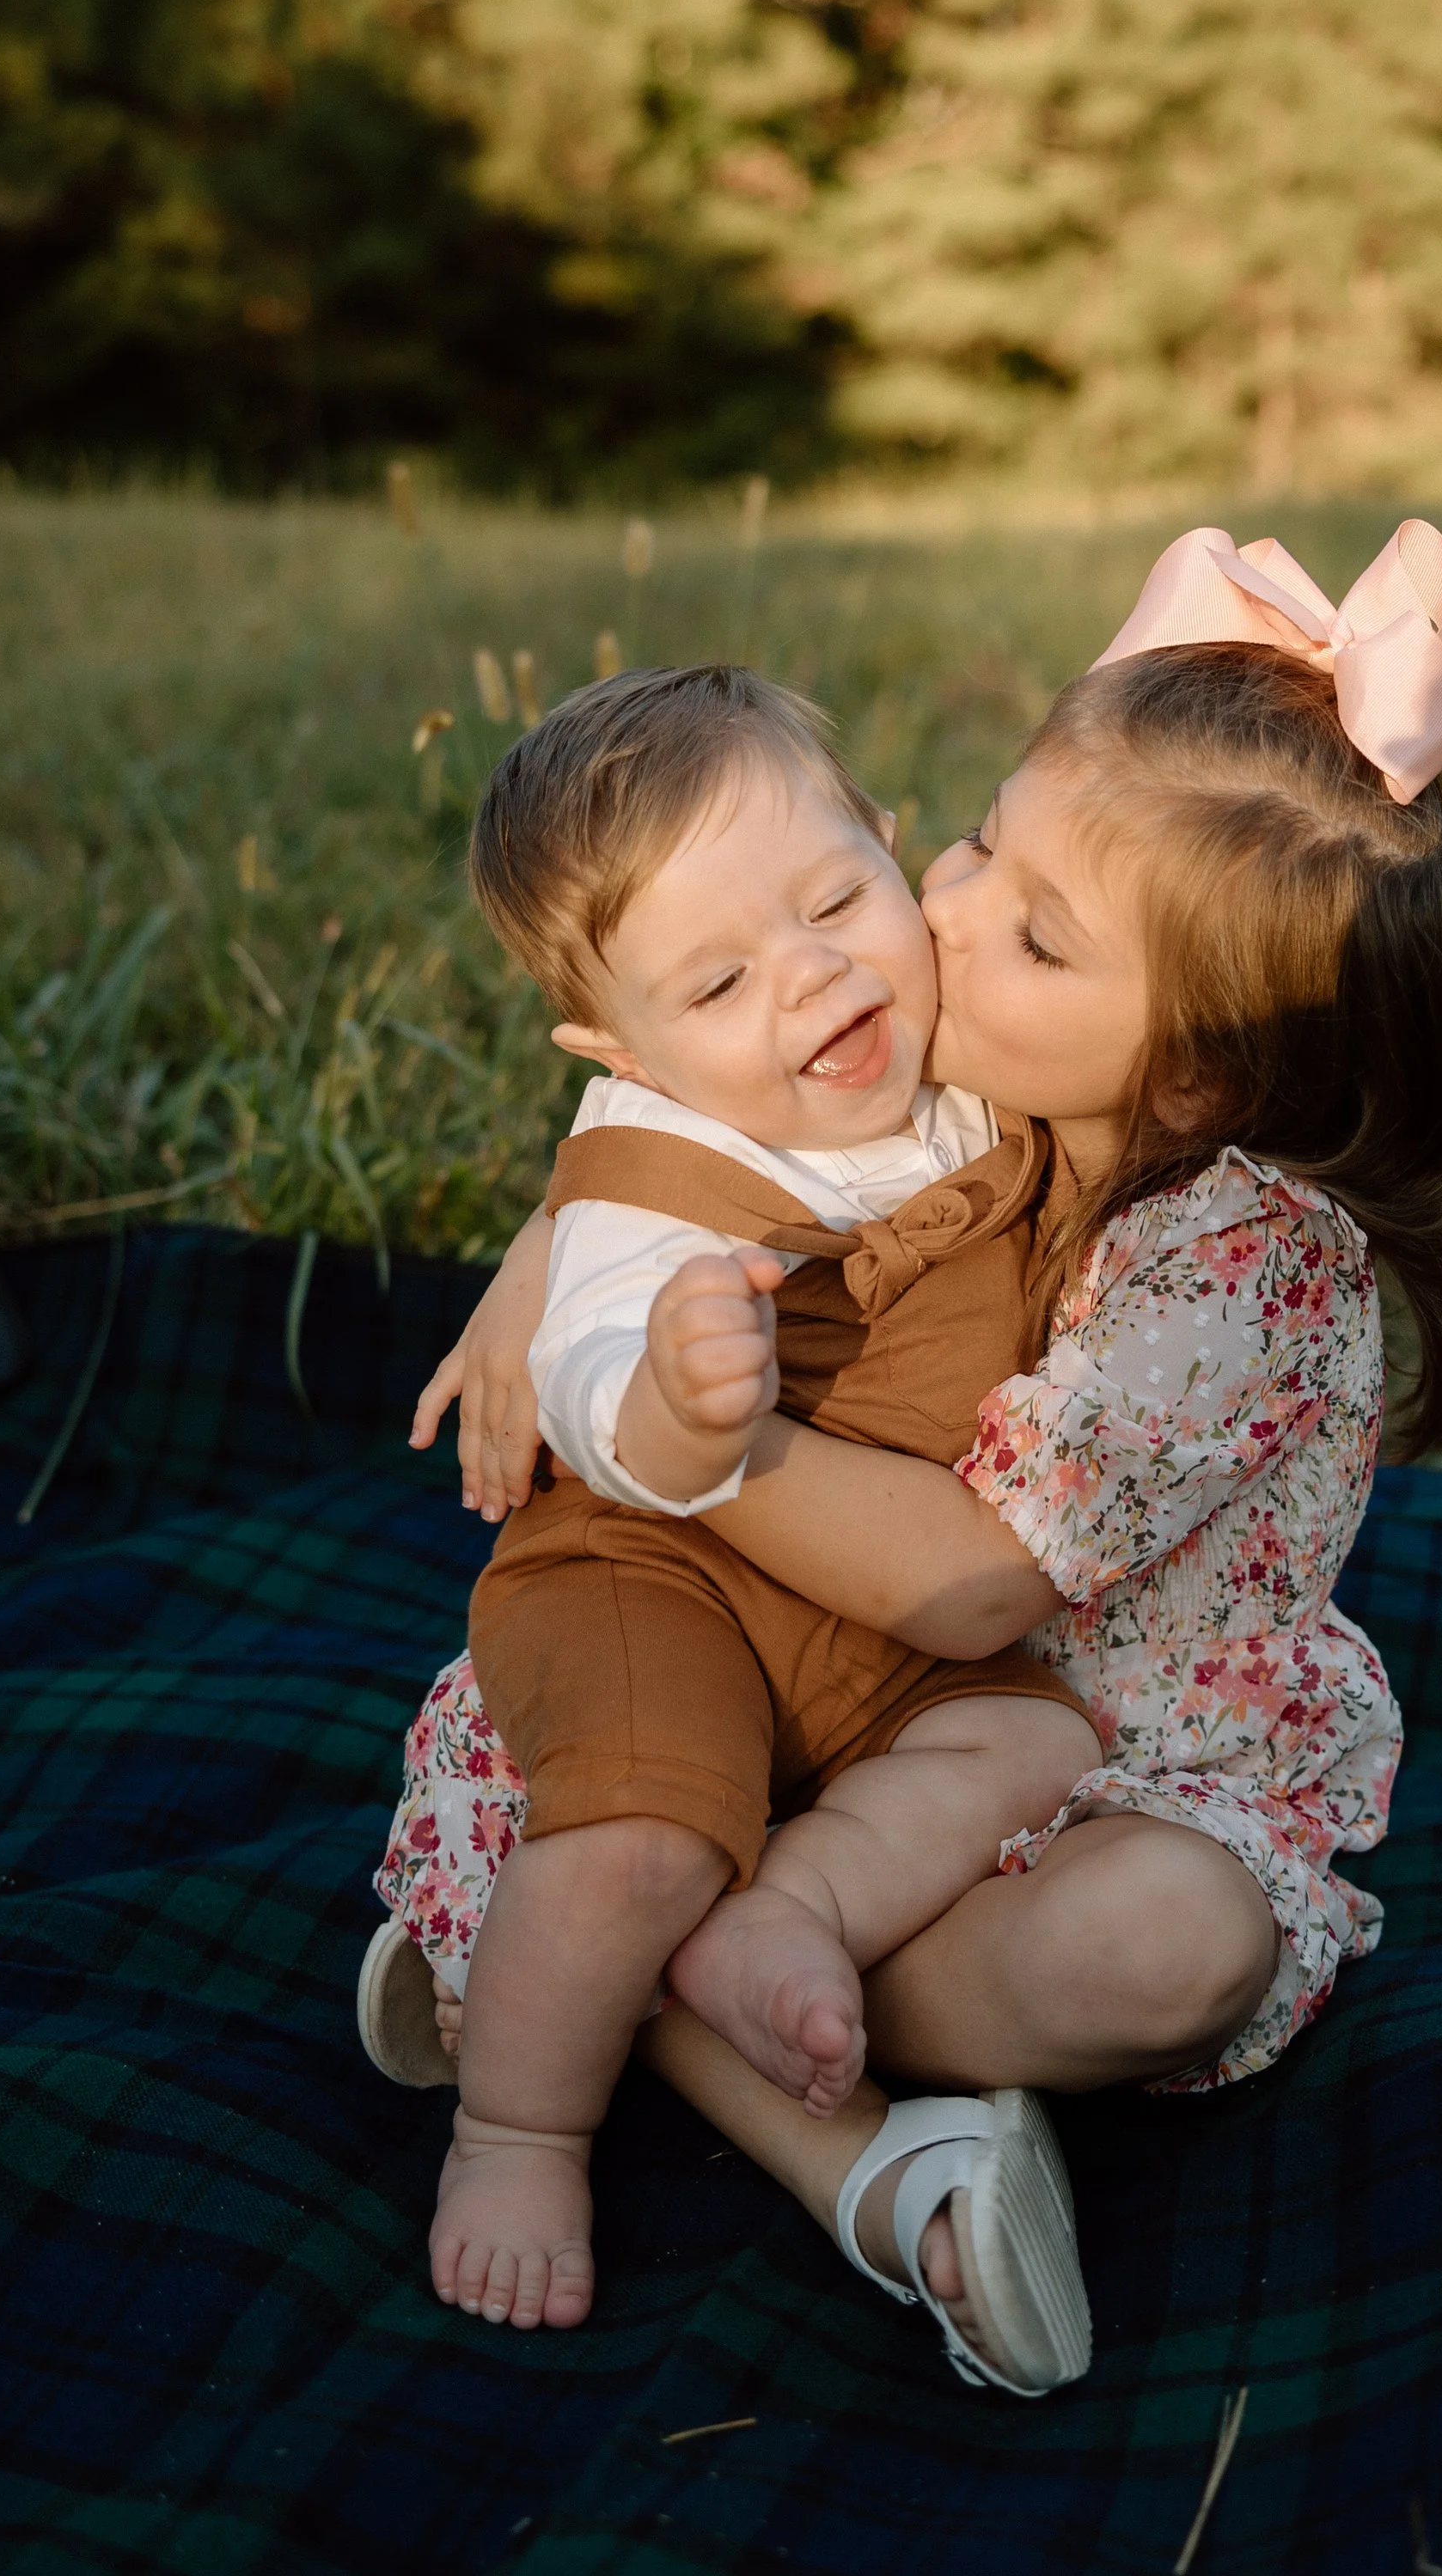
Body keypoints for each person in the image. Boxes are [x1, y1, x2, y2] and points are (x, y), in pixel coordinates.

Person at [392, 519, 1442, 2397]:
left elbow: (984, 1578)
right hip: (814, 1682)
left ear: (1197, 1076)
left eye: (1028, 927)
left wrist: (692, 1446)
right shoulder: (993, 1044)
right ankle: (710, 2012)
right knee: (643, 1793)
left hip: (1067, 1729)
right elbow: (672, 1131)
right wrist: (548, 1270)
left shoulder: (1231, 1260)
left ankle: (643, 1982)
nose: (940, 916)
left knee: (1169, 1947)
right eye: (975, 839)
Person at [364, 663, 1103, 2385]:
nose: (813, 978)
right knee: (639, 1833)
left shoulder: (966, 1068)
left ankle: (789, 1915)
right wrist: (682, 1396)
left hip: (874, 1611)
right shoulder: (650, 1171)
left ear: (895, 848)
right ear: (620, 1052)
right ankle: (523, 2129)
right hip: (654, 1574)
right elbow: (598, 1367)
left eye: (837, 899)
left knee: (1035, 1739)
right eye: (715, 981)